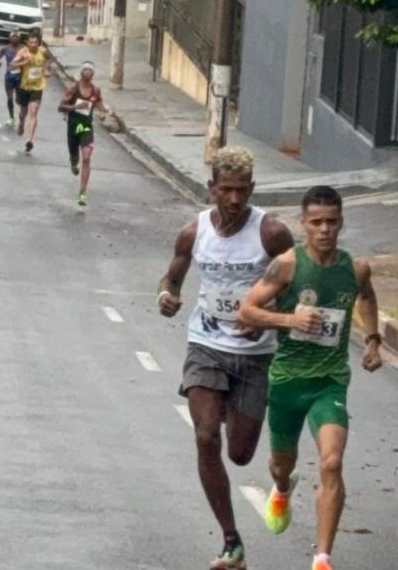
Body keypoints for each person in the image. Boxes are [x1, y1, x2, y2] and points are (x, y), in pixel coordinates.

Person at [158, 148, 295, 570]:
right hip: (207, 346)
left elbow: (298, 286)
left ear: (252, 189)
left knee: (239, 454)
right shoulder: (193, 232)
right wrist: (168, 295)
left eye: (242, 191)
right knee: (204, 437)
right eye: (226, 190)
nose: (234, 200)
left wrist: (268, 321)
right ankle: (231, 541)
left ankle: (276, 471)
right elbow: (173, 277)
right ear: (212, 188)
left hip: (255, 356)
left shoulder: (271, 233)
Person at [238, 185, 382, 570]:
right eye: (316, 222)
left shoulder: (355, 268)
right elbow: (246, 311)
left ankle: (322, 558)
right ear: (303, 224)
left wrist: (372, 339)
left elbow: (366, 296)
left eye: (331, 222)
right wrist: (290, 319)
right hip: (287, 382)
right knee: (280, 464)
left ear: (341, 223)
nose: (324, 230)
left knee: (332, 463)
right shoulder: (287, 265)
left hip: (329, 382)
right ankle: (283, 488)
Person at [57, 62, 110, 207]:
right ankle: (73, 161)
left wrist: (103, 112)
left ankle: (82, 192)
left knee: (86, 158)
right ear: (81, 73)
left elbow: (99, 104)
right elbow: (60, 107)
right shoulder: (73, 88)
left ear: (93, 74)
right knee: (75, 156)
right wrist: (76, 106)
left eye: (90, 70)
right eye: (85, 70)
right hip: (73, 126)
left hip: (85, 127)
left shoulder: (95, 90)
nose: (87, 72)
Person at [11, 29, 50, 153]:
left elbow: (49, 60)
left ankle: (30, 140)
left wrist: (45, 69)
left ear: (39, 43)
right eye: (31, 42)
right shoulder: (23, 52)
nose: (33, 45)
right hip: (24, 86)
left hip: (37, 87)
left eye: (35, 43)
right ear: (27, 43)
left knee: (33, 111)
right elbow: (12, 65)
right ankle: (21, 123)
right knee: (23, 112)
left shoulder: (43, 51)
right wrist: (24, 62)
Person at [0, 31, 22, 127]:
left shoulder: (24, 49)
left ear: (19, 38)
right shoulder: (5, 49)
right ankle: (11, 117)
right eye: (12, 37)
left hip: (20, 77)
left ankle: (21, 116)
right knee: (10, 98)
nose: (14, 39)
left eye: (16, 37)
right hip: (9, 76)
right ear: (9, 38)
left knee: (19, 99)